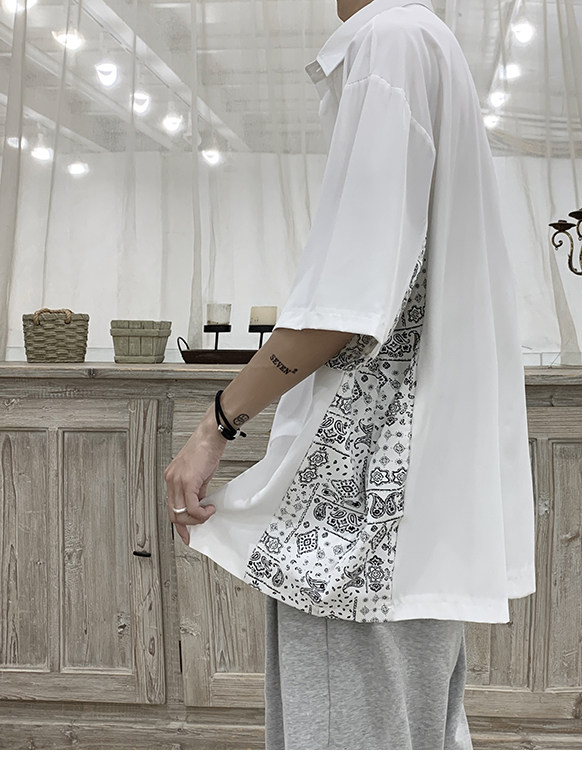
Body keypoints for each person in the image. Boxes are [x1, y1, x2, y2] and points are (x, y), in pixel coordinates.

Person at [164, 0, 536, 750]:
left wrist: (216, 424)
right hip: (411, 500)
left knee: (344, 742)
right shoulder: (426, 43)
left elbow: (346, 304)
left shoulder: (390, 44)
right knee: (413, 735)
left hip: (360, 510)